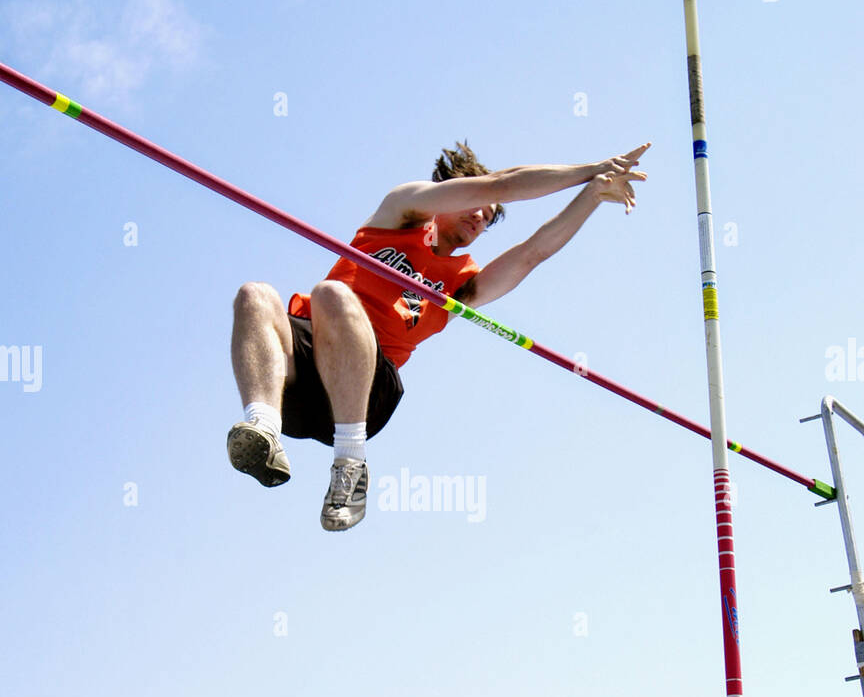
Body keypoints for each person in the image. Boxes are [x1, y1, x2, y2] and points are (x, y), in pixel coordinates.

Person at [228, 140, 649, 531]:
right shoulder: (401, 212)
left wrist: (591, 195)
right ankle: (264, 427)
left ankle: (350, 466)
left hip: (365, 394)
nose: (480, 216)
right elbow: (501, 184)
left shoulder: (464, 283)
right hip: (302, 385)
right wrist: (590, 168)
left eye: (488, 218)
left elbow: (532, 253)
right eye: (477, 205)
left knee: (331, 294)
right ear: (450, 193)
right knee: (256, 295)